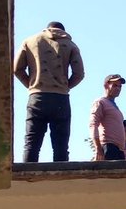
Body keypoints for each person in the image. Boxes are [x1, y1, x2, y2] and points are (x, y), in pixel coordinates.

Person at [13, 21, 85, 162]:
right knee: (61, 146)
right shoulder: (70, 45)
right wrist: (65, 86)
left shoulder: (30, 41)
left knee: (31, 144)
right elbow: (79, 74)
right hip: (60, 98)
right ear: (63, 31)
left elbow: (17, 69)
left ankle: (27, 179)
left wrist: (31, 85)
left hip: (37, 96)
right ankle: (61, 180)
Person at [90, 74, 126, 161]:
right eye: (114, 85)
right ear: (106, 85)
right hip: (108, 147)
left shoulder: (115, 107)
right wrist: (98, 149)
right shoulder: (100, 102)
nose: (118, 88)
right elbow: (93, 125)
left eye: (120, 86)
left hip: (119, 150)